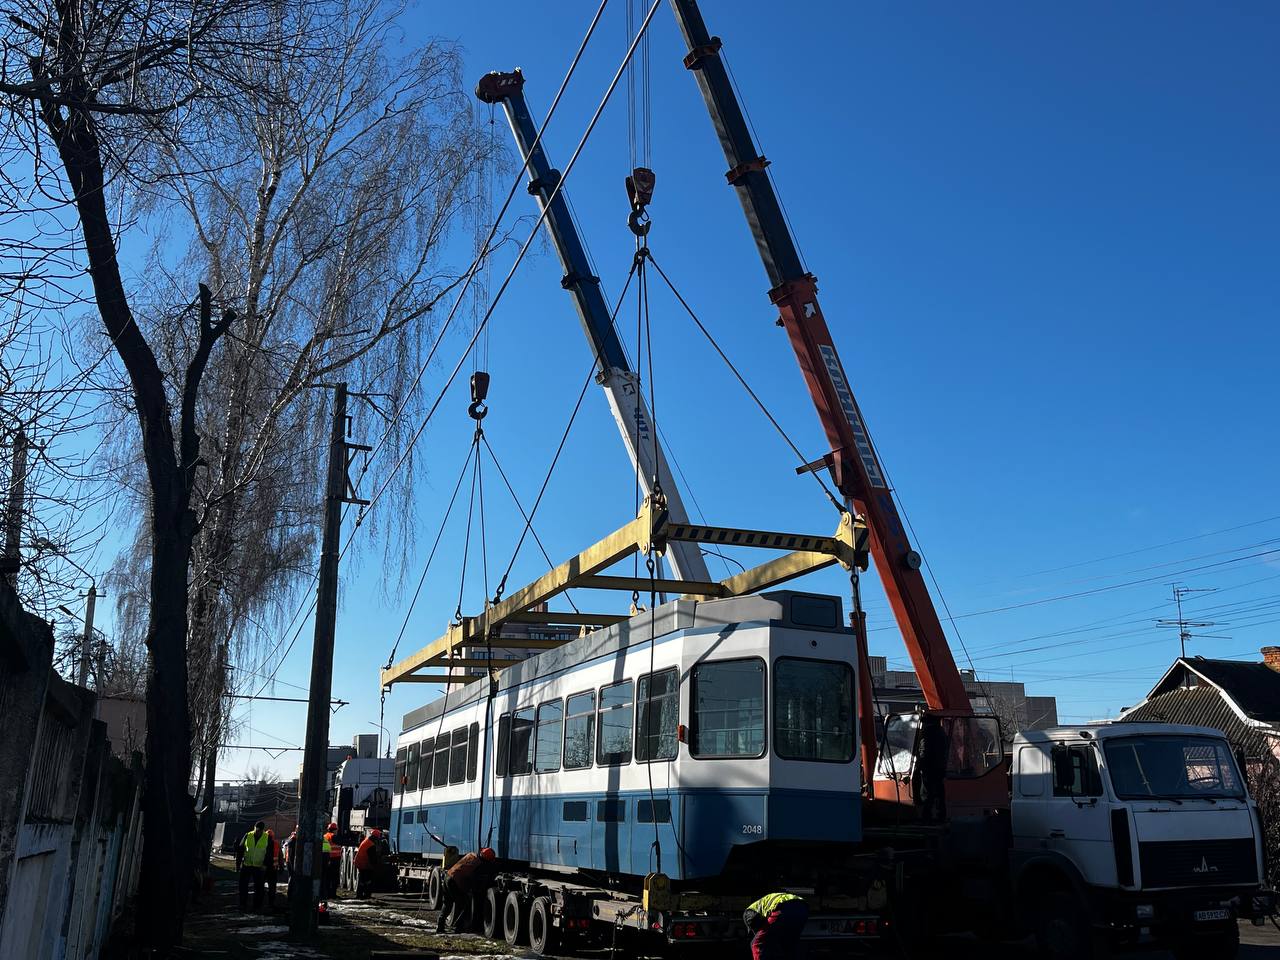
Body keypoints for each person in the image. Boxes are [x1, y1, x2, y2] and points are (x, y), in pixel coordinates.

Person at [435, 847, 498, 933]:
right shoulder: (479, 864)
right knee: (465, 905)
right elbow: (473, 878)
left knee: (447, 903)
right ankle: (458, 927)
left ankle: (440, 926)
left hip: (448, 876)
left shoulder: (471, 855)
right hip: (454, 882)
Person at [743, 892, 808, 960]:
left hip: (784, 908)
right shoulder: (764, 903)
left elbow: (754, 922)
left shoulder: (749, 911)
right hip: (803, 908)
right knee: (788, 945)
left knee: (756, 943)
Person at [239, 821, 272, 912]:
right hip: (247, 865)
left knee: (259, 888)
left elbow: (269, 853)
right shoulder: (248, 835)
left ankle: (257, 905)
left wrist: (265, 865)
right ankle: (243, 904)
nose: (257, 831)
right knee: (243, 886)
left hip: (259, 866)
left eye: (259, 830)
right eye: (256, 829)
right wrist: (239, 863)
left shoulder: (267, 837)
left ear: (262, 830)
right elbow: (241, 848)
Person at [354, 828, 383, 899]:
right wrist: (375, 867)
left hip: (360, 863)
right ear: (376, 837)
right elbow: (372, 858)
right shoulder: (371, 845)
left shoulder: (367, 841)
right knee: (367, 880)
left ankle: (361, 895)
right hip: (363, 864)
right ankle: (366, 895)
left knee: (363, 880)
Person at [322, 822, 342, 897]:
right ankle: (332, 894)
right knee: (334, 878)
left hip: (328, 859)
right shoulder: (333, 836)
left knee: (327, 878)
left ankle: (327, 893)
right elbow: (341, 842)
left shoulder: (325, 836)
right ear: (335, 830)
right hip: (334, 859)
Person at [263, 829, 280, 909]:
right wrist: (281, 867)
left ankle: (260, 902)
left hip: (264, 868)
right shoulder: (276, 844)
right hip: (273, 868)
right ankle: (271, 903)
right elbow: (280, 856)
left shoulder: (263, 844)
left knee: (261, 886)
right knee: (272, 887)